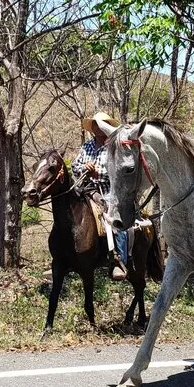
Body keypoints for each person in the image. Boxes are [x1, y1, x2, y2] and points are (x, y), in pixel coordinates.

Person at [71, 111, 128, 281]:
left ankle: (118, 260)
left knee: (114, 219)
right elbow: (75, 166)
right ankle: (66, 256)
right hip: (86, 188)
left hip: (108, 190)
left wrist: (98, 173)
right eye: (95, 124)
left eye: (102, 123)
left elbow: (120, 170)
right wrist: (84, 169)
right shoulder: (86, 146)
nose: (98, 127)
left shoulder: (115, 147)